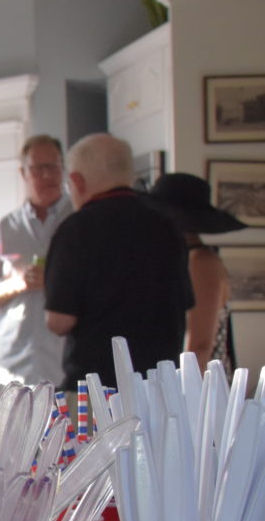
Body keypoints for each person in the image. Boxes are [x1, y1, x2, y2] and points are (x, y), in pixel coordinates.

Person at [43, 133, 192, 385]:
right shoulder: (168, 226)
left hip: (100, 389)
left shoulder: (75, 230)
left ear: (76, 182)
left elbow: (59, 321)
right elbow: (184, 306)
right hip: (160, 387)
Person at [0, 134, 73, 395]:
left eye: (54, 166)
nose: (48, 175)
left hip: (67, 365)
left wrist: (56, 281)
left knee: (68, 436)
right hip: (13, 368)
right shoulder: (5, 229)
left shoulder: (79, 220)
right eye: (39, 168)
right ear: (23, 172)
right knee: (10, 437)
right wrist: (16, 285)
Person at [147, 171, 246, 366]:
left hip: (202, 386)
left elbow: (199, 345)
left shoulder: (200, 261)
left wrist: (184, 393)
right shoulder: (183, 260)